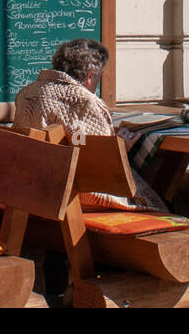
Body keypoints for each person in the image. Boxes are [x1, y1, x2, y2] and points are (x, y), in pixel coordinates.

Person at [13, 38, 166, 211]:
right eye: (98, 78)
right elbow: (100, 172)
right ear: (90, 76)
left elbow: (77, 141)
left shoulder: (27, 93)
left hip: (30, 187)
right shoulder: (85, 102)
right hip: (75, 197)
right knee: (160, 205)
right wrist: (120, 149)